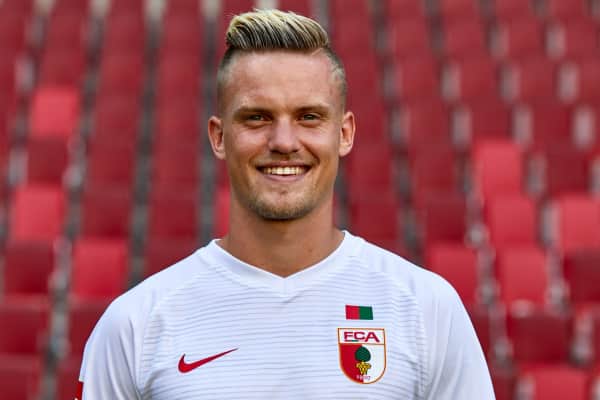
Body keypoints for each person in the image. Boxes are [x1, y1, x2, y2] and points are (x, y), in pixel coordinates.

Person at [77, 9, 495, 399]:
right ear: (219, 137)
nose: (283, 142)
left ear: (344, 134)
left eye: (309, 117)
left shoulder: (425, 309)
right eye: (257, 117)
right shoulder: (135, 324)